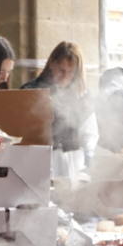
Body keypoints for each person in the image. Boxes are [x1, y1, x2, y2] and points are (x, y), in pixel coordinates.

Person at [22, 41, 97, 178]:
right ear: (52, 64)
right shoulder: (30, 92)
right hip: (38, 160)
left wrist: (89, 160)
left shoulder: (83, 96)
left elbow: (89, 133)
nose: (65, 76)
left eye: (71, 72)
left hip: (74, 162)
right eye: (61, 70)